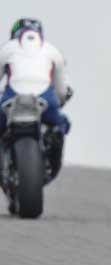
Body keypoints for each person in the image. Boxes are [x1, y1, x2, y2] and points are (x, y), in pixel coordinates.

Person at [0, 18, 73, 177]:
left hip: (11, 99)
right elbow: (61, 91)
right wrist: (59, 103)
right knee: (62, 123)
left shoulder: (7, 49)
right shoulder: (53, 51)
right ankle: (52, 158)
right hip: (46, 100)